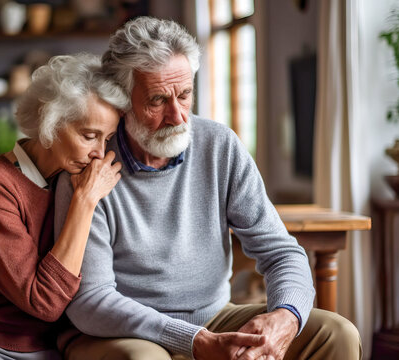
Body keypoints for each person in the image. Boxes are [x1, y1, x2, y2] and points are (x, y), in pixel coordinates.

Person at [54, 17, 362, 360]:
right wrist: (194, 341)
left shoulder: (219, 145)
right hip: (121, 331)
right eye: (158, 100)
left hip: (213, 318)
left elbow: (282, 253)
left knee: (337, 334)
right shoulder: (89, 165)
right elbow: (90, 301)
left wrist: (285, 317)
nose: (178, 116)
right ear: (123, 101)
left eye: (185, 95)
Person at [0, 53, 129, 360]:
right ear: (50, 122)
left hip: (50, 345)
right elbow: (43, 302)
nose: (99, 153)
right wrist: (85, 201)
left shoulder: (73, 179)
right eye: (89, 136)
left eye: (108, 139)